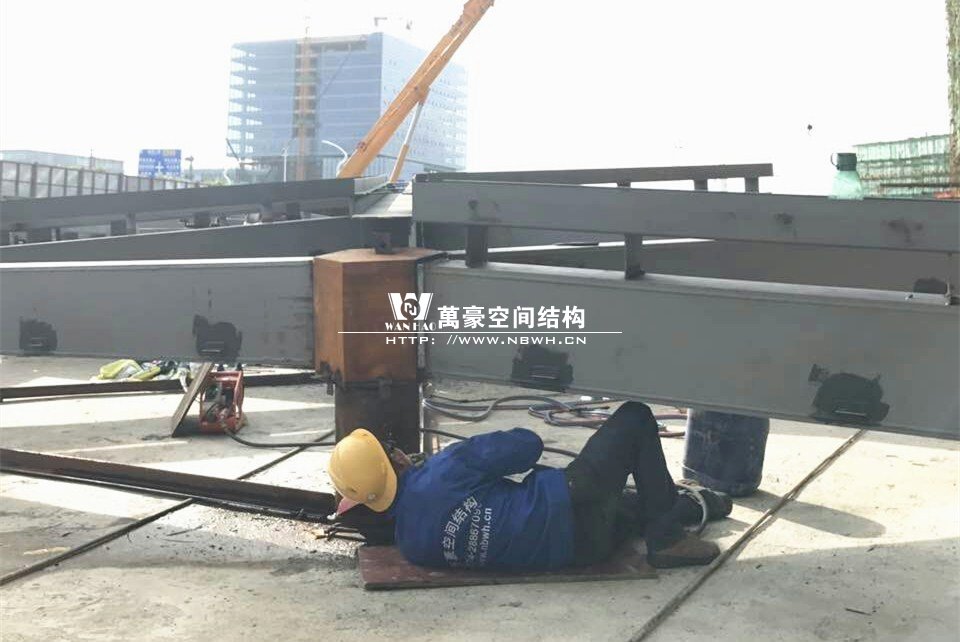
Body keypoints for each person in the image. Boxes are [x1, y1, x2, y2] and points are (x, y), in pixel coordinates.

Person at [327, 402, 730, 570]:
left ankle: (707, 504)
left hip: (581, 551)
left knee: (631, 503)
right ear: (395, 460)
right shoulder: (446, 467)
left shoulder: (413, 547)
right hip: (571, 506)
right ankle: (667, 541)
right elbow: (528, 445)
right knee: (635, 417)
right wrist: (471, 452)